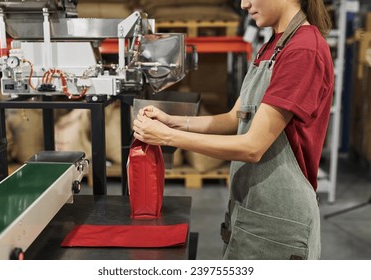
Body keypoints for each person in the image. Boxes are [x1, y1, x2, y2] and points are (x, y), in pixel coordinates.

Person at [132, 0, 334, 260]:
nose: (244, 4)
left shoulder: (303, 50)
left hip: (279, 224)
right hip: (252, 211)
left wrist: (169, 137)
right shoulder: (272, 46)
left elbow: (252, 146)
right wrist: (172, 121)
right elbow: (234, 118)